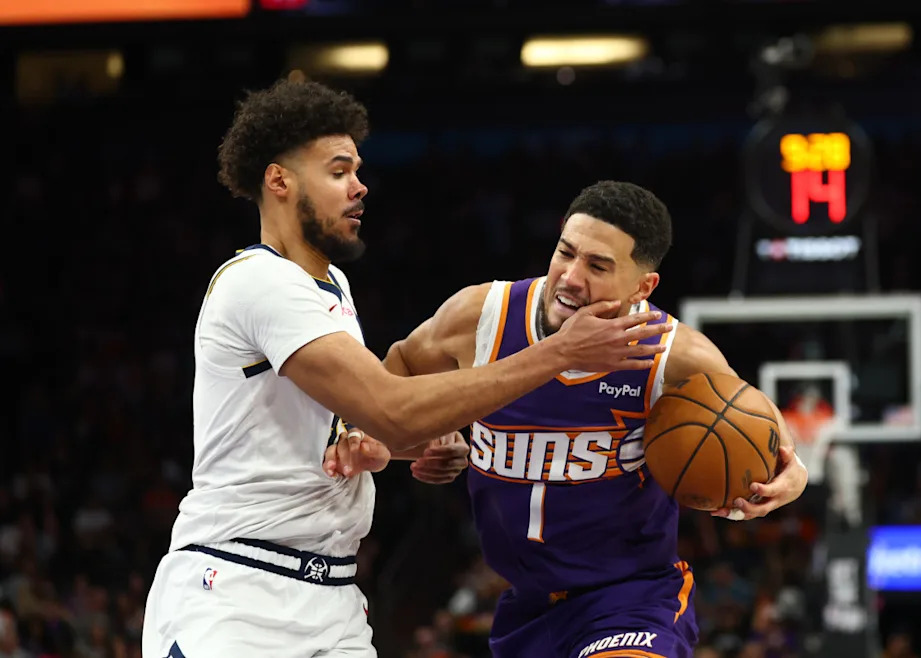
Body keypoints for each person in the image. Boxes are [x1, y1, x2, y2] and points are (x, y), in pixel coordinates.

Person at [140, 81, 673, 658]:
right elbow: (393, 408)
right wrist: (560, 352)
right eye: (339, 171)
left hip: (331, 594)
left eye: (357, 170)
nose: (359, 185)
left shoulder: (330, 285)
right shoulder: (258, 281)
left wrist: (400, 445)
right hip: (238, 589)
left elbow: (353, 426)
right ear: (279, 181)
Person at [337, 181, 809, 658]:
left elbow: (756, 419)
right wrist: (428, 433)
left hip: (632, 601)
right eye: (566, 253)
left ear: (642, 287)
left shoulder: (671, 354)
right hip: (525, 607)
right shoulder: (482, 317)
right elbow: (390, 383)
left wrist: (794, 473)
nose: (571, 277)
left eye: (598, 266)